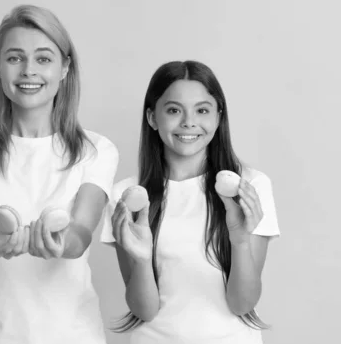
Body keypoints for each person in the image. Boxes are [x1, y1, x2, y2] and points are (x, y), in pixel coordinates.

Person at [0, 4, 119, 344]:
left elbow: (81, 233)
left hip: (73, 334)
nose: (29, 70)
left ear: (65, 68)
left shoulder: (97, 151)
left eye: (43, 59)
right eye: (15, 58)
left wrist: (59, 243)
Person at [101, 60, 280, 344]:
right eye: (173, 110)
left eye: (202, 110)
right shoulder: (127, 196)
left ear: (218, 117)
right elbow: (143, 310)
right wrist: (142, 259)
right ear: (152, 117)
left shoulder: (250, 187)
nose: (189, 122)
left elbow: (242, 304)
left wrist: (240, 240)